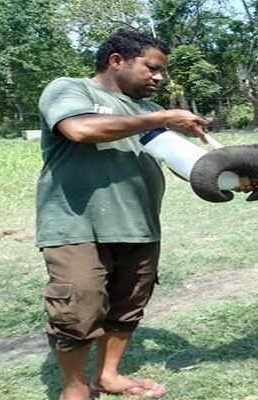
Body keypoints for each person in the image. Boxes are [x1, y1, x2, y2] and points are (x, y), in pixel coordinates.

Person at [36, 29, 207, 400]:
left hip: (140, 224)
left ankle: (108, 376)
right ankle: (75, 389)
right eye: (152, 68)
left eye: (161, 71)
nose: (159, 78)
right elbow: (79, 129)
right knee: (76, 310)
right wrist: (161, 119)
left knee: (127, 307)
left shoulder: (149, 111)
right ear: (117, 61)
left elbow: (185, 163)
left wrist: (229, 175)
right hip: (76, 225)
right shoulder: (71, 89)